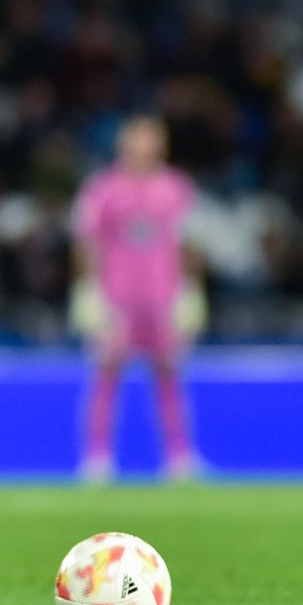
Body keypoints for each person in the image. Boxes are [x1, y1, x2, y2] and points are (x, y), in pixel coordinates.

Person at [69, 115, 202, 482]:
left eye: (152, 141)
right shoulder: (102, 189)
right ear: (124, 144)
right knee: (106, 375)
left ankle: (180, 458)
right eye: (138, 141)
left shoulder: (176, 188)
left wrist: (190, 290)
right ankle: (97, 459)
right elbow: (88, 242)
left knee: (169, 375)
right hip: (117, 299)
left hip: (163, 297)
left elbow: (188, 242)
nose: (145, 149)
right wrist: (88, 289)